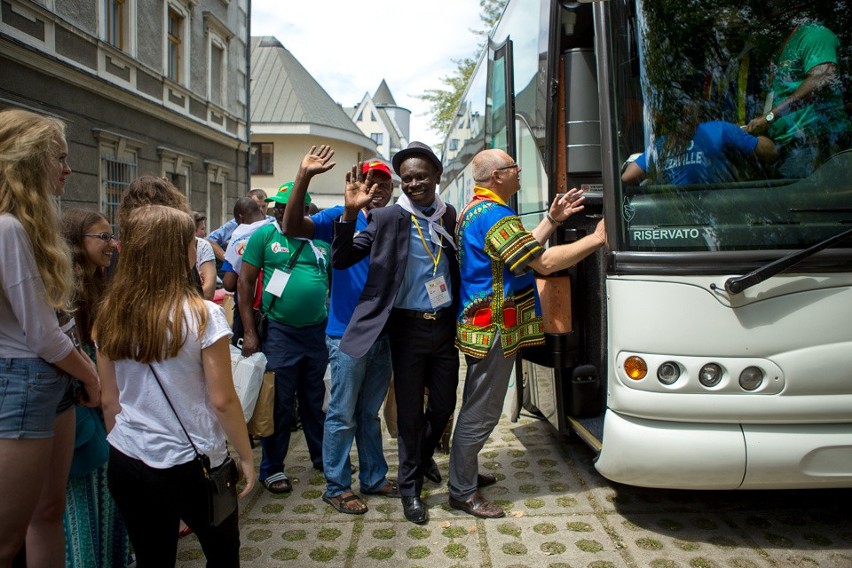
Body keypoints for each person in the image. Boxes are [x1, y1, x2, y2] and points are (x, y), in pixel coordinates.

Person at [448, 148, 606, 519]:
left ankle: (464, 474)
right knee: (481, 411)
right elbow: (545, 262)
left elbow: (524, 250)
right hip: (494, 329)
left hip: (481, 325)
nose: (520, 172)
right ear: (497, 176)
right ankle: (461, 491)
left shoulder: (478, 210)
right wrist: (597, 239)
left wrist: (551, 219)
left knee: (477, 403)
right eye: (514, 168)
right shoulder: (498, 217)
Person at [94, 205, 255, 567]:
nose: (196, 247)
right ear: (175, 250)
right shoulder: (202, 314)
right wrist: (246, 456)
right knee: (223, 555)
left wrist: (127, 446)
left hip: (128, 456)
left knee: (152, 558)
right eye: (191, 242)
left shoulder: (109, 312)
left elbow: (109, 401)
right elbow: (223, 400)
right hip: (195, 461)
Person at [332, 141, 460, 525]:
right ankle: (411, 490)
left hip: (445, 326)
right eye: (407, 179)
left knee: (442, 406)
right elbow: (342, 258)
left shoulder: (449, 215)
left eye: (421, 176)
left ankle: (420, 460)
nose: (414, 184)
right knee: (407, 415)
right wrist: (350, 213)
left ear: (437, 177)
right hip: (406, 329)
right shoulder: (387, 218)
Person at [0, 108, 101, 566]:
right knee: (7, 540)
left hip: (50, 379)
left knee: (48, 511)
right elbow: (42, 335)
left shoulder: (33, 226)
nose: (68, 168)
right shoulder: (9, 228)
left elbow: (55, 323)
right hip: (25, 382)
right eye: (59, 157)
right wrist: (93, 378)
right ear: (28, 161)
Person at [281, 147, 397, 515]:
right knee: (342, 413)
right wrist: (304, 176)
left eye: (384, 182)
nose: (377, 188)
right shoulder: (340, 216)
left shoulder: (394, 220)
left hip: (383, 334)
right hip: (346, 334)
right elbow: (291, 227)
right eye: (371, 180)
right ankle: (336, 485)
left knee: (368, 412)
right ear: (358, 182)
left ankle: (374, 477)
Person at [238, 182, 332, 494]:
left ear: (304, 210)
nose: (279, 210)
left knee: (314, 400)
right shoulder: (264, 235)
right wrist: (250, 332)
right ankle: (272, 468)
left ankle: (321, 458)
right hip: (279, 332)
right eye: (277, 204)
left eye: (287, 204)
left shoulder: (321, 239)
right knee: (278, 401)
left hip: (316, 332)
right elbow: (244, 282)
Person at [60, 208, 131, 567]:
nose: (112, 244)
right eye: (102, 237)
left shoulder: (100, 282)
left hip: (103, 405)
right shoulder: (64, 289)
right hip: (80, 406)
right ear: (77, 242)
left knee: (106, 497)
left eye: (111, 235)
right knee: (82, 506)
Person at [744, 19, 852, 178]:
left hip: (817, 142)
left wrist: (769, 118)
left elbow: (823, 77)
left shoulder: (814, 33)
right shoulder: (779, 49)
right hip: (787, 148)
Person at [622, 99, 778, 185]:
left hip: (675, 221)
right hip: (715, 217)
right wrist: (749, 135)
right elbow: (771, 152)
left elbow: (627, 177)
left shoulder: (661, 145)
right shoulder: (721, 130)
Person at [207, 188, 270, 262]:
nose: (260, 210)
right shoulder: (236, 223)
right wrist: (228, 261)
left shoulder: (272, 223)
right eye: (257, 206)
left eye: (264, 206)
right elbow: (210, 240)